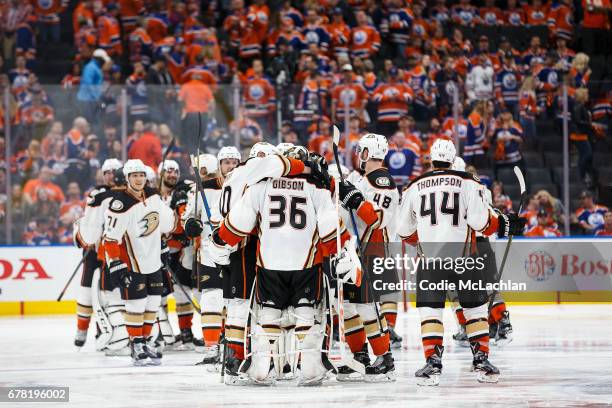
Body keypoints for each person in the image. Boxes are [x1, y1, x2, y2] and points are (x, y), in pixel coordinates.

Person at [210, 146, 357, 386]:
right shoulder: (316, 189)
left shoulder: (261, 186)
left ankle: (259, 368)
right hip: (306, 265)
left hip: (269, 264)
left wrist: (218, 241)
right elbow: (331, 229)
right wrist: (343, 252)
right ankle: (310, 369)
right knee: (307, 315)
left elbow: (238, 223)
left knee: (267, 316)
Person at [396, 138, 526, 386]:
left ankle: (432, 362)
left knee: (430, 313)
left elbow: (403, 229)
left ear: (431, 159)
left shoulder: (414, 185)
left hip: (430, 261)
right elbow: (480, 222)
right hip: (465, 258)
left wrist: (421, 240)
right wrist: (506, 223)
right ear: (453, 158)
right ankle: (481, 360)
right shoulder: (467, 182)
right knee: (475, 310)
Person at [336, 133, 400, 379]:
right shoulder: (366, 179)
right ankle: (358, 356)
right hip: (356, 250)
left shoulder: (381, 179)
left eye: (361, 150)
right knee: (350, 307)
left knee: (367, 307)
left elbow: (375, 219)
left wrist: (354, 199)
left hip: (372, 251)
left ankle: (385, 357)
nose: (358, 155)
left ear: (367, 152)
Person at [101, 159, 176, 366]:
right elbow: (110, 238)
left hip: (153, 261)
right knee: (136, 304)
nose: (139, 179)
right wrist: (116, 263)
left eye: (141, 175)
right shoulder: (120, 203)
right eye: (134, 175)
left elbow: (166, 224)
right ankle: (136, 344)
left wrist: (163, 243)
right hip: (132, 263)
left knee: (153, 303)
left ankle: (145, 341)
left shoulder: (152, 196)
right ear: (127, 178)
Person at [73, 158, 127, 355]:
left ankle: (103, 331)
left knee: (106, 296)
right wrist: (84, 236)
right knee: (87, 293)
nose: (111, 175)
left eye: (114, 171)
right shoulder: (97, 194)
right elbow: (89, 222)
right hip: (94, 251)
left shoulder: (126, 194)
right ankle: (81, 329)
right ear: (103, 175)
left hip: (111, 250)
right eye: (107, 172)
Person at [77, 49, 111, 123]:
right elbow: (88, 84)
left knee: (94, 121)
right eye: (103, 60)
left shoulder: (96, 68)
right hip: (86, 100)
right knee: (88, 122)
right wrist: (96, 98)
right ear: (99, 59)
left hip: (92, 100)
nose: (104, 62)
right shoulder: (90, 67)